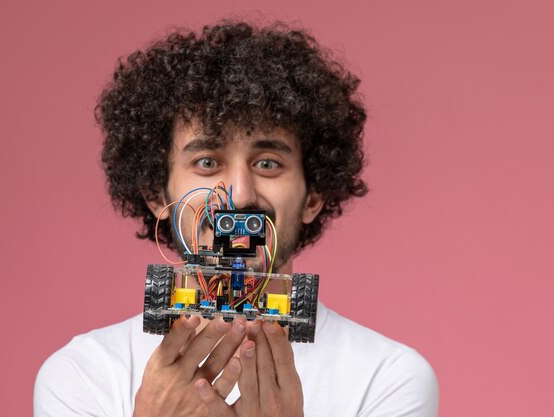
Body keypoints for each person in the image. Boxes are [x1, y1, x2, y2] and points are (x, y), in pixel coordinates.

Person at [34, 20, 439, 417]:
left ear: (313, 196)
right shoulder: (82, 375)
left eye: (268, 163)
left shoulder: (388, 377)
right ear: (158, 195)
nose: (239, 196)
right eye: (207, 162)